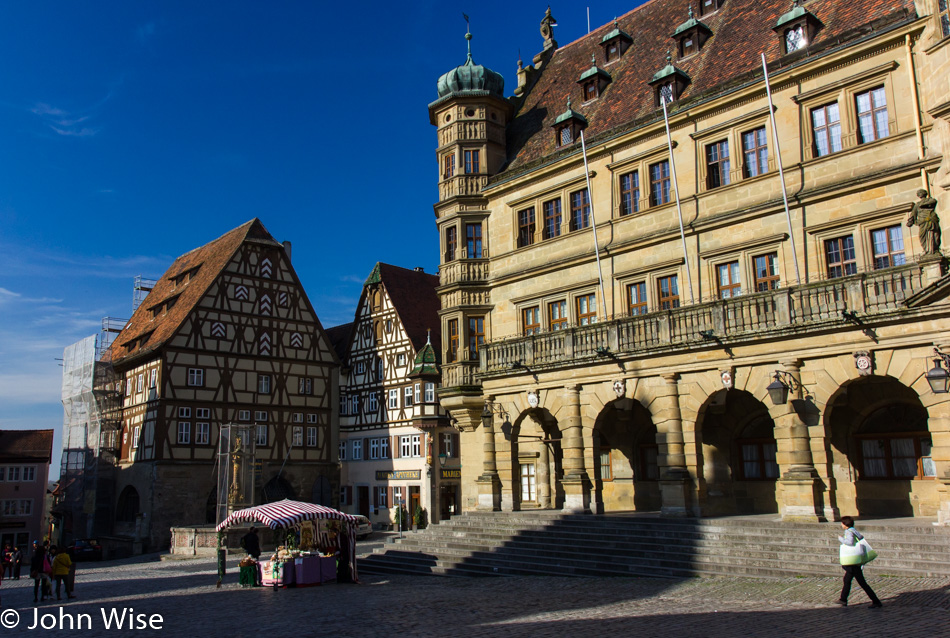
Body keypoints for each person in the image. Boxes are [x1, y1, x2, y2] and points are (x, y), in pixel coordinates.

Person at [836, 516, 883, 609]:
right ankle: (843, 599)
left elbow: (849, 542)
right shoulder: (854, 530)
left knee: (861, 583)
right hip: (855, 560)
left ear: (845, 524)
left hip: (853, 560)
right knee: (847, 580)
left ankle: (876, 601)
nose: (841, 525)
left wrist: (841, 539)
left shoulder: (849, 532)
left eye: (842, 523)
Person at [906, 189, 941, 255]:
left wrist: (923, 205)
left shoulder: (930, 200)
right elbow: (913, 214)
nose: (920, 194)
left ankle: (934, 250)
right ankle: (927, 250)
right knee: (923, 237)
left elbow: (934, 201)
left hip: (931, 220)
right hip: (923, 222)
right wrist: (910, 222)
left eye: (921, 192)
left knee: (935, 235)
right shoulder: (917, 205)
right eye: (919, 193)